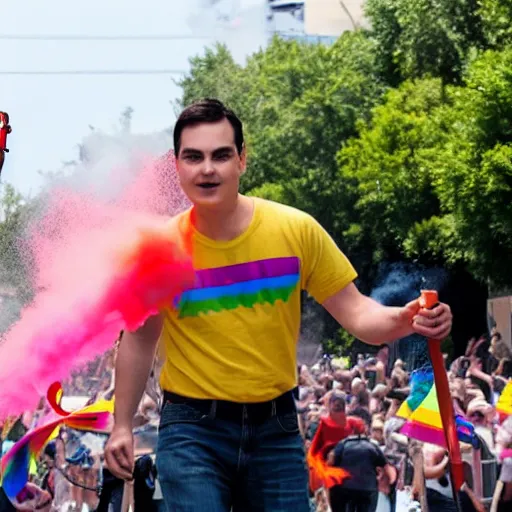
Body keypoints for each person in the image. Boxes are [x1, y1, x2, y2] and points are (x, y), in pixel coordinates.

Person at [104, 98, 453, 511]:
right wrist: (121, 424)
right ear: (177, 166)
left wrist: (407, 317)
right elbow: (140, 341)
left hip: (277, 429)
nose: (207, 169)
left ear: (242, 160)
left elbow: (358, 313)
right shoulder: (158, 249)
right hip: (190, 431)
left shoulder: (295, 230)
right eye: (193, 157)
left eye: (221, 155)